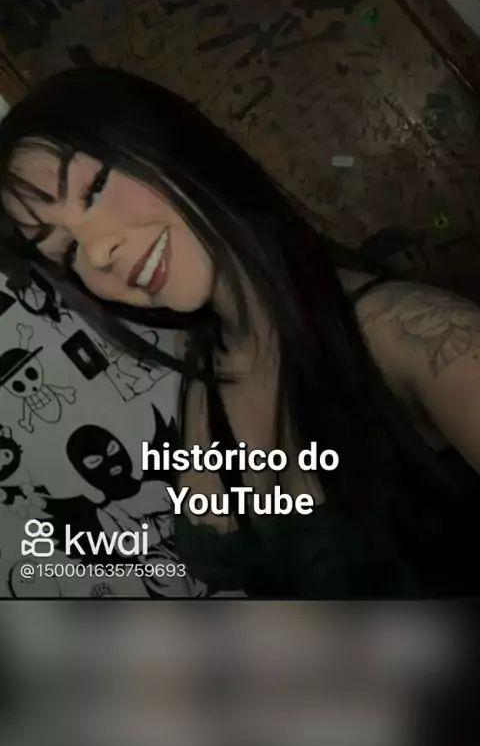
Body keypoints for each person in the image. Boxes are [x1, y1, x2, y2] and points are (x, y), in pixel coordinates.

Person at [0, 66, 479, 598]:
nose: (96, 252)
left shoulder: (418, 340)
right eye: (65, 250)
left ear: (170, 141)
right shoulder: (198, 363)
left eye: (93, 190)